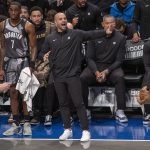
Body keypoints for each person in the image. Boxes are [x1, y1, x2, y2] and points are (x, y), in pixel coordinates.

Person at [40, 12, 112, 142]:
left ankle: (86, 131)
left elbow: (91, 34)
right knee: (63, 104)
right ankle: (67, 129)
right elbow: (42, 52)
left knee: (79, 104)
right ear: (55, 22)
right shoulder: (50, 38)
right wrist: (43, 56)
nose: (63, 21)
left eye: (64, 19)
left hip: (73, 75)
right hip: (58, 76)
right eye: (60, 19)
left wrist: (104, 31)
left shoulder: (76, 34)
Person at [80, 15, 128, 123]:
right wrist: (96, 72)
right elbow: (89, 58)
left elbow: (119, 60)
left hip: (112, 67)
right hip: (95, 66)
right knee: (82, 77)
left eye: (112, 23)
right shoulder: (94, 36)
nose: (109, 25)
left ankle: (120, 110)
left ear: (115, 24)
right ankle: (85, 110)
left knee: (120, 77)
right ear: (103, 24)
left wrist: (107, 71)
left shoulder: (121, 38)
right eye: (107, 23)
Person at [0, 1, 37, 136]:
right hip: (9, 61)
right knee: (13, 93)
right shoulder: (3, 25)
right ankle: (15, 123)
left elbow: (34, 47)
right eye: (11, 10)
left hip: (24, 61)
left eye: (16, 10)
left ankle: (26, 122)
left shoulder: (27, 25)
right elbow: (2, 47)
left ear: (20, 11)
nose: (14, 13)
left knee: (25, 93)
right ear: (8, 10)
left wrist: (32, 64)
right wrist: (1, 68)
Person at [131, 0, 150, 124]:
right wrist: (134, 32)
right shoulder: (140, 3)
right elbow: (134, 21)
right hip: (146, 40)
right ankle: (148, 112)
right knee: (148, 74)